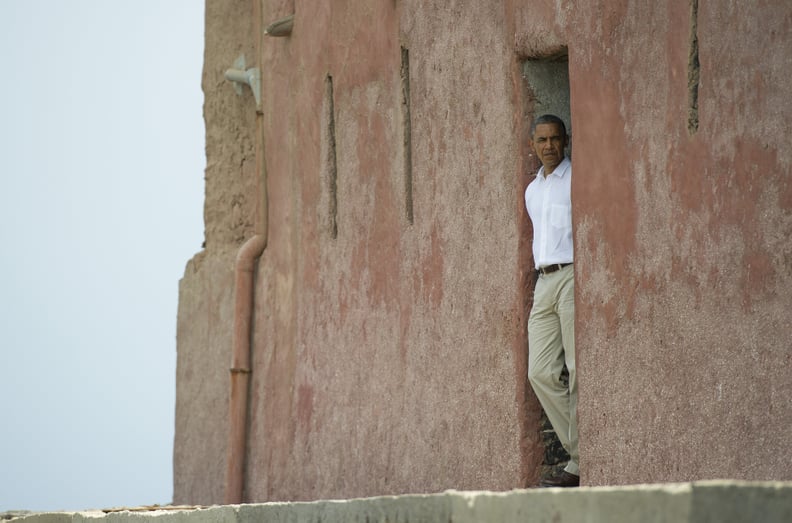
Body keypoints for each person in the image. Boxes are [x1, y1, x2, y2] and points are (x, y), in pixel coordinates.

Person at [524, 114, 579, 488]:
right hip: (543, 281)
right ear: (532, 144)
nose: (548, 146)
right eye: (541, 140)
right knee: (539, 372)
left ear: (566, 140)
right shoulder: (532, 190)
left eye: (555, 139)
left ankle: (577, 461)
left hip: (572, 275)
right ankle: (580, 448)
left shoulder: (575, 179)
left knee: (576, 369)